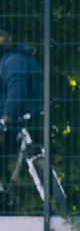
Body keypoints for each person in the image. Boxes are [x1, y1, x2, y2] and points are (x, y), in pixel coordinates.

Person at [0, 17, 43, 156]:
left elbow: (17, 93)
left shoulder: (13, 60)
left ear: (9, 37)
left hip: (14, 124)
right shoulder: (9, 59)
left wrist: (4, 123)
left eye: (0, 34)